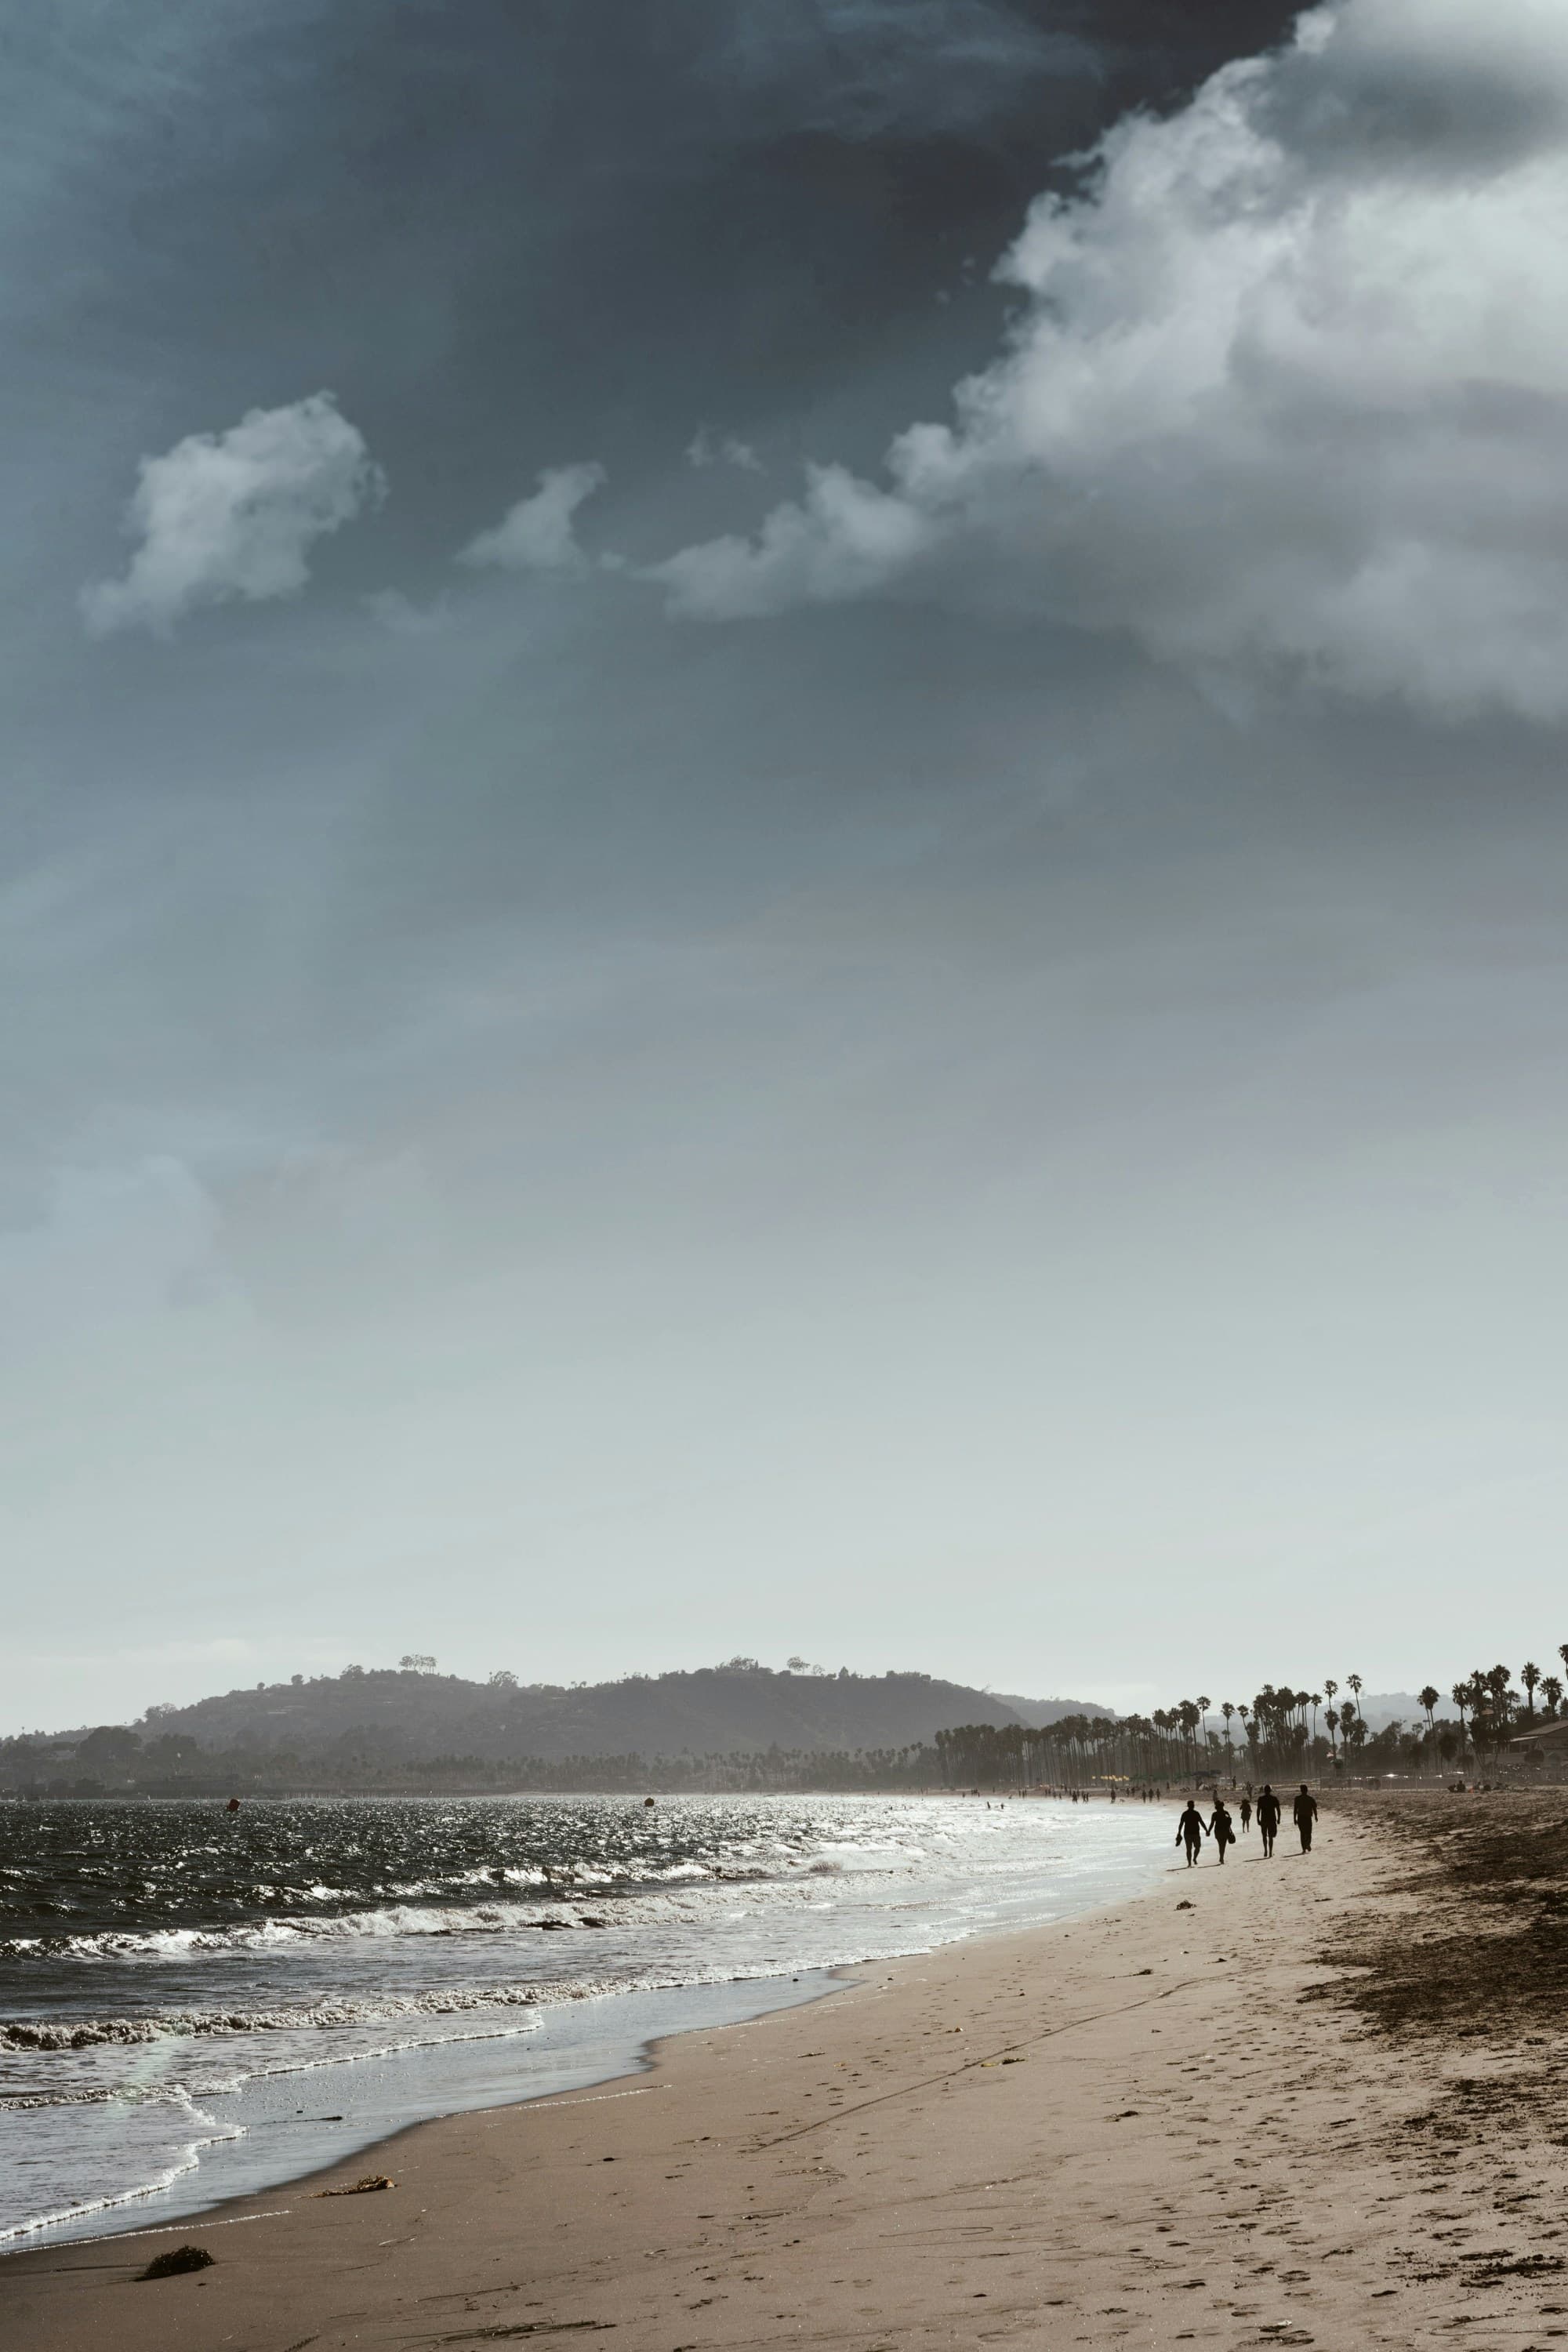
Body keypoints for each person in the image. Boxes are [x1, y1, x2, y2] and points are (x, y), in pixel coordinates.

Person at [1176, 1798, 1206, 1866]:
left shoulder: (1194, 1813)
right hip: (1189, 1834)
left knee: (1194, 1848)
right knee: (1192, 1848)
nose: (1192, 1806)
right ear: (1191, 1806)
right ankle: (1190, 1863)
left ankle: (1193, 1860)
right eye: (1192, 1805)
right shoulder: (1187, 1814)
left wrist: (1206, 1830)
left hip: (1191, 1833)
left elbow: (1201, 1822)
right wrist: (1179, 1832)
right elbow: (1181, 1824)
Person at [1206, 1796, 1236, 1863]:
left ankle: (1221, 1857)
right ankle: (1221, 1858)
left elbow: (1212, 1824)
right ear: (1222, 1806)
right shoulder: (1226, 1813)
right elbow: (1230, 1822)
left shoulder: (1215, 1814)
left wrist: (1208, 1831)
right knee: (1223, 1845)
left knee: (1220, 1844)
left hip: (1218, 1831)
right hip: (1225, 1831)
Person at [1257, 1783, 1282, 1857]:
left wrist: (1258, 1819)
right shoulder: (1274, 1799)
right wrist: (1279, 1818)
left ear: (1264, 1791)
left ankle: (1265, 1851)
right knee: (1271, 1836)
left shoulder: (1261, 1799)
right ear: (1270, 1791)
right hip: (1272, 1819)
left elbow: (1258, 1810)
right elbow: (1278, 1810)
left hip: (1264, 1819)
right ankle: (1270, 1852)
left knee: (1264, 1836)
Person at [1293, 1783, 1319, 1853]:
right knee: (1309, 1833)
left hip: (1300, 1818)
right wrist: (1316, 1816)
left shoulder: (1297, 1799)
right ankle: (1307, 1844)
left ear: (1301, 1790)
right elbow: (1314, 1808)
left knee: (1302, 1833)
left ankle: (1304, 1848)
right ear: (1307, 1790)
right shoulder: (1310, 1799)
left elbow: (1295, 1809)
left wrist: (1294, 1819)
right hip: (1308, 1818)